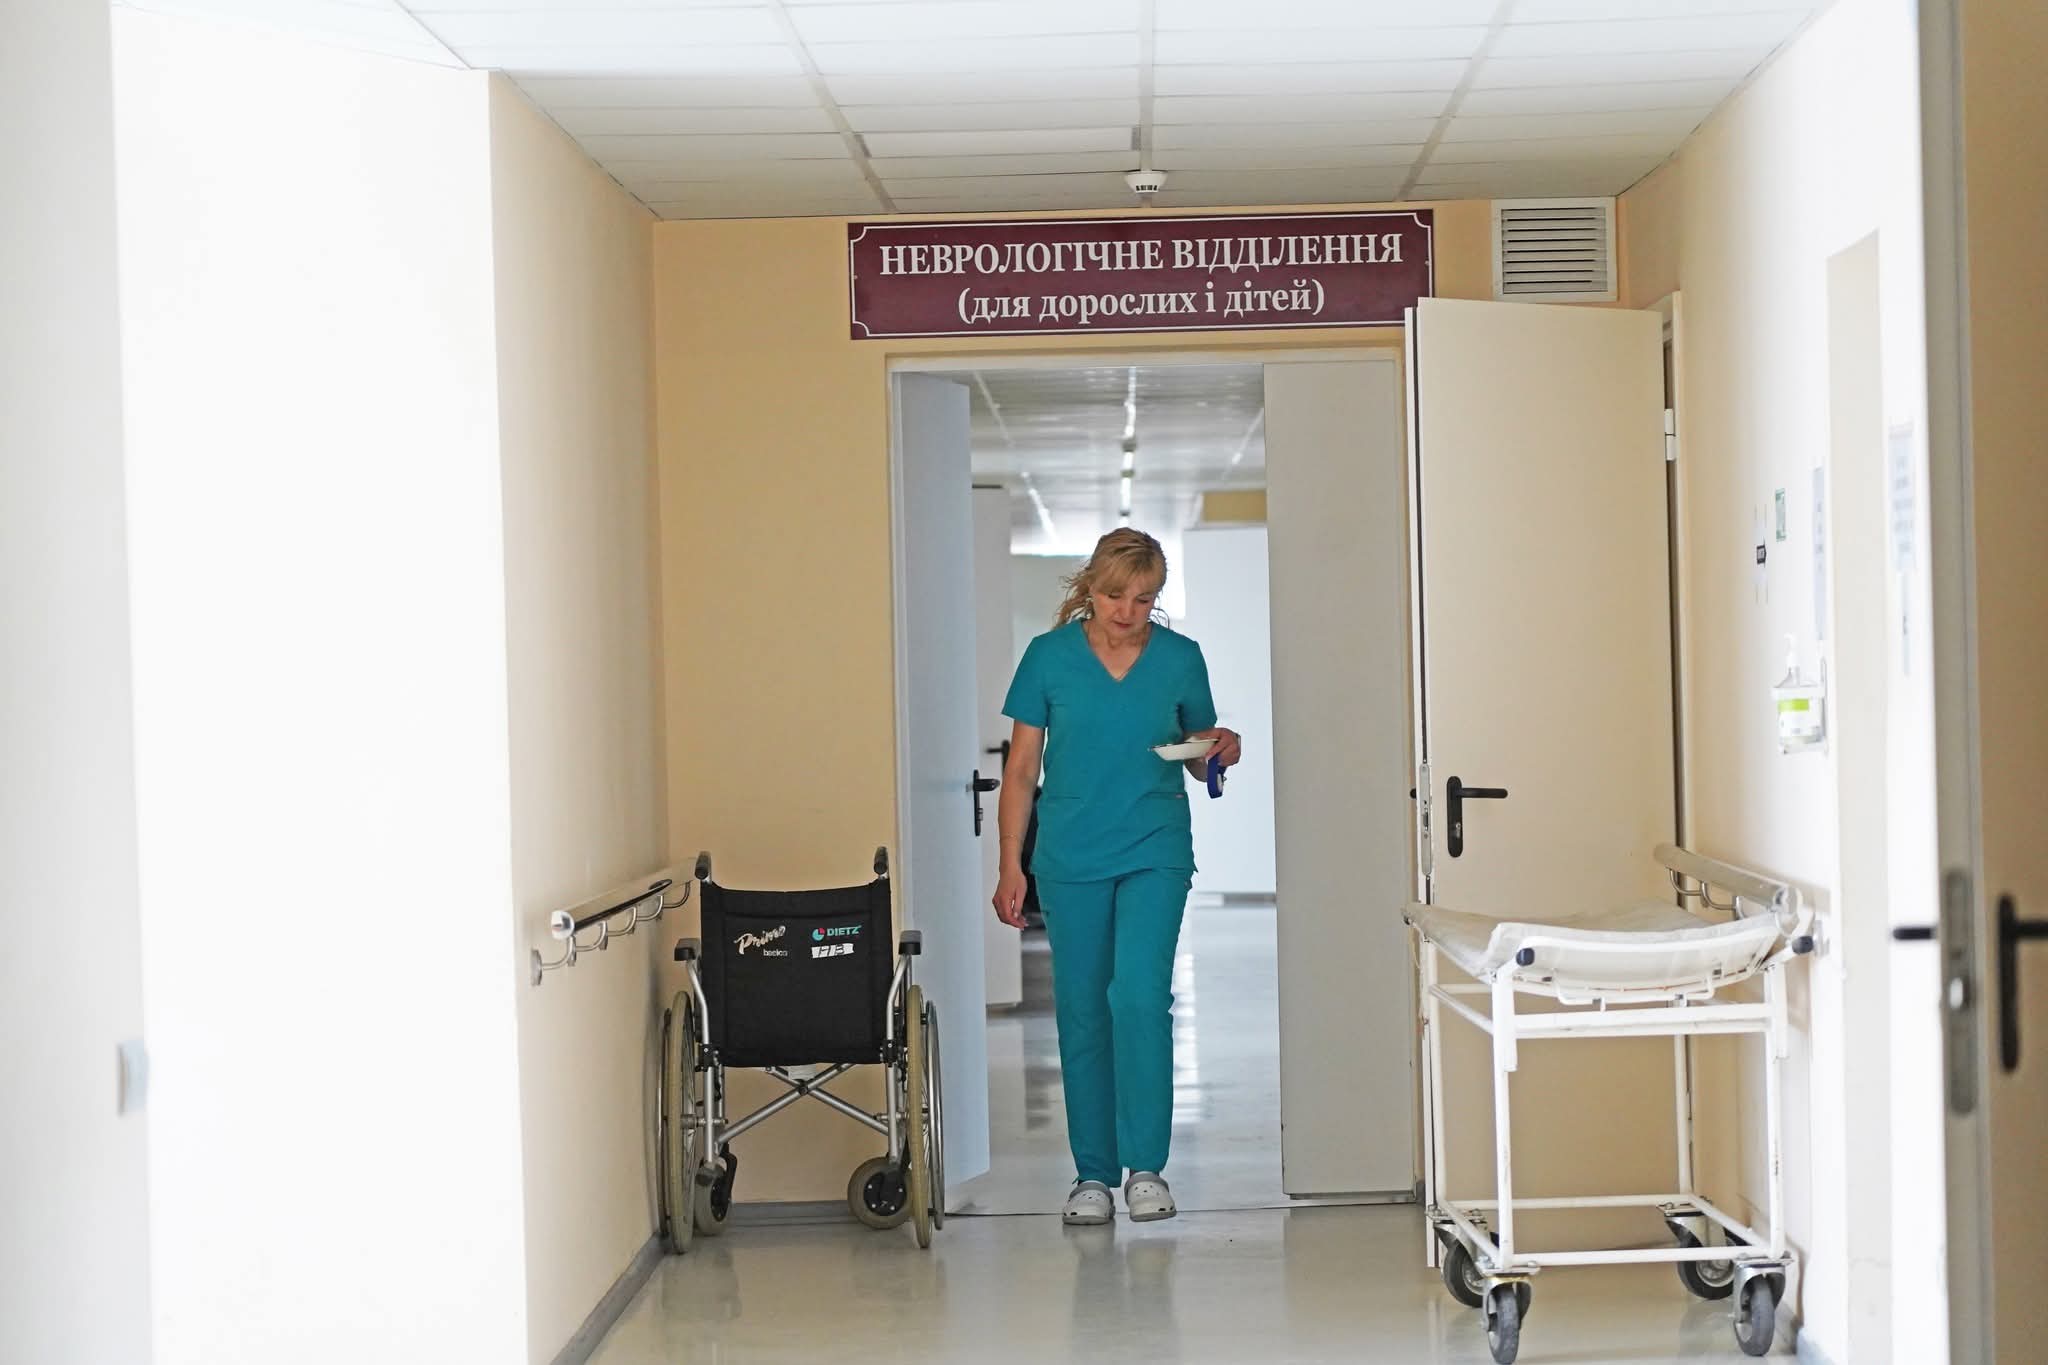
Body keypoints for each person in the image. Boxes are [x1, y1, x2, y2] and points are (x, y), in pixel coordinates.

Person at [992, 528, 1242, 1226]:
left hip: (1154, 848)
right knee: (1082, 1009)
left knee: (1138, 996)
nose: (1127, 612)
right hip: (1070, 855)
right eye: (1114, 596)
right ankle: (1093, 1174)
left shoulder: (1180, 659)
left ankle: (1146, 1168)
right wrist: (1010, 862)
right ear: (1089, 586)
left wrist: (1222, 748)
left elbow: (1197, 750)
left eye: (1143, 598)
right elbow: (1021, 770)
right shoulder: (1048, 658)